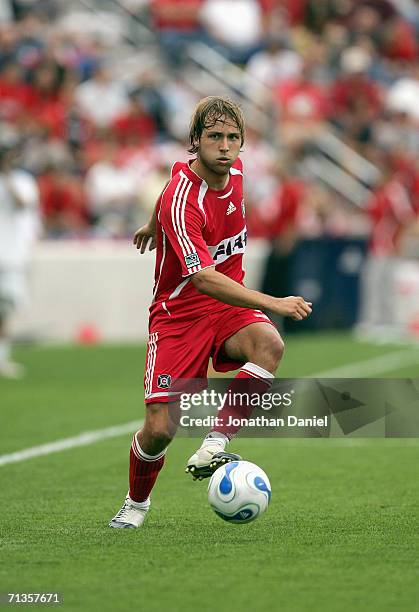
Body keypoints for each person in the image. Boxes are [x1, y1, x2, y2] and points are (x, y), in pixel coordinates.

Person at [109, 96, 312, 529]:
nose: (224, 146)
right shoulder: (185, 202)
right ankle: (136, 504)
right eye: (214, 137)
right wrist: (272, 301)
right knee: (160, 429)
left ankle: (215, 443)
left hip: (225, 306)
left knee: (269, 344)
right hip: (179, 314)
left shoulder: (235, 171)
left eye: (233, 137)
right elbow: (202, 278)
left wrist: (150, 223)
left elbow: (165, 187)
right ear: (195, 142)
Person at [0, 141, 40, 378]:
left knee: (5, 309)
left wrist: (6, 177)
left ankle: (2, 357)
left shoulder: (22, 181)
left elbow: (23, 203)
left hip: (11, 256)